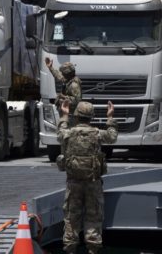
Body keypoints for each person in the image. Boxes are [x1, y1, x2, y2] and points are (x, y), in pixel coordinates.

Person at [57, 99, 118, 254]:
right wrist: (110, 117)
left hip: (73, 182)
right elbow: (112, 137)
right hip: (93, 182)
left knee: (71, 216)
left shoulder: (68, 133)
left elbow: (59, 134)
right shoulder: (97, 134)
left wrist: (64, 115)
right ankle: (93, 248)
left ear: (76, 115)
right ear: (91, 117)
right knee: (94, 216)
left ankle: (70, 248)